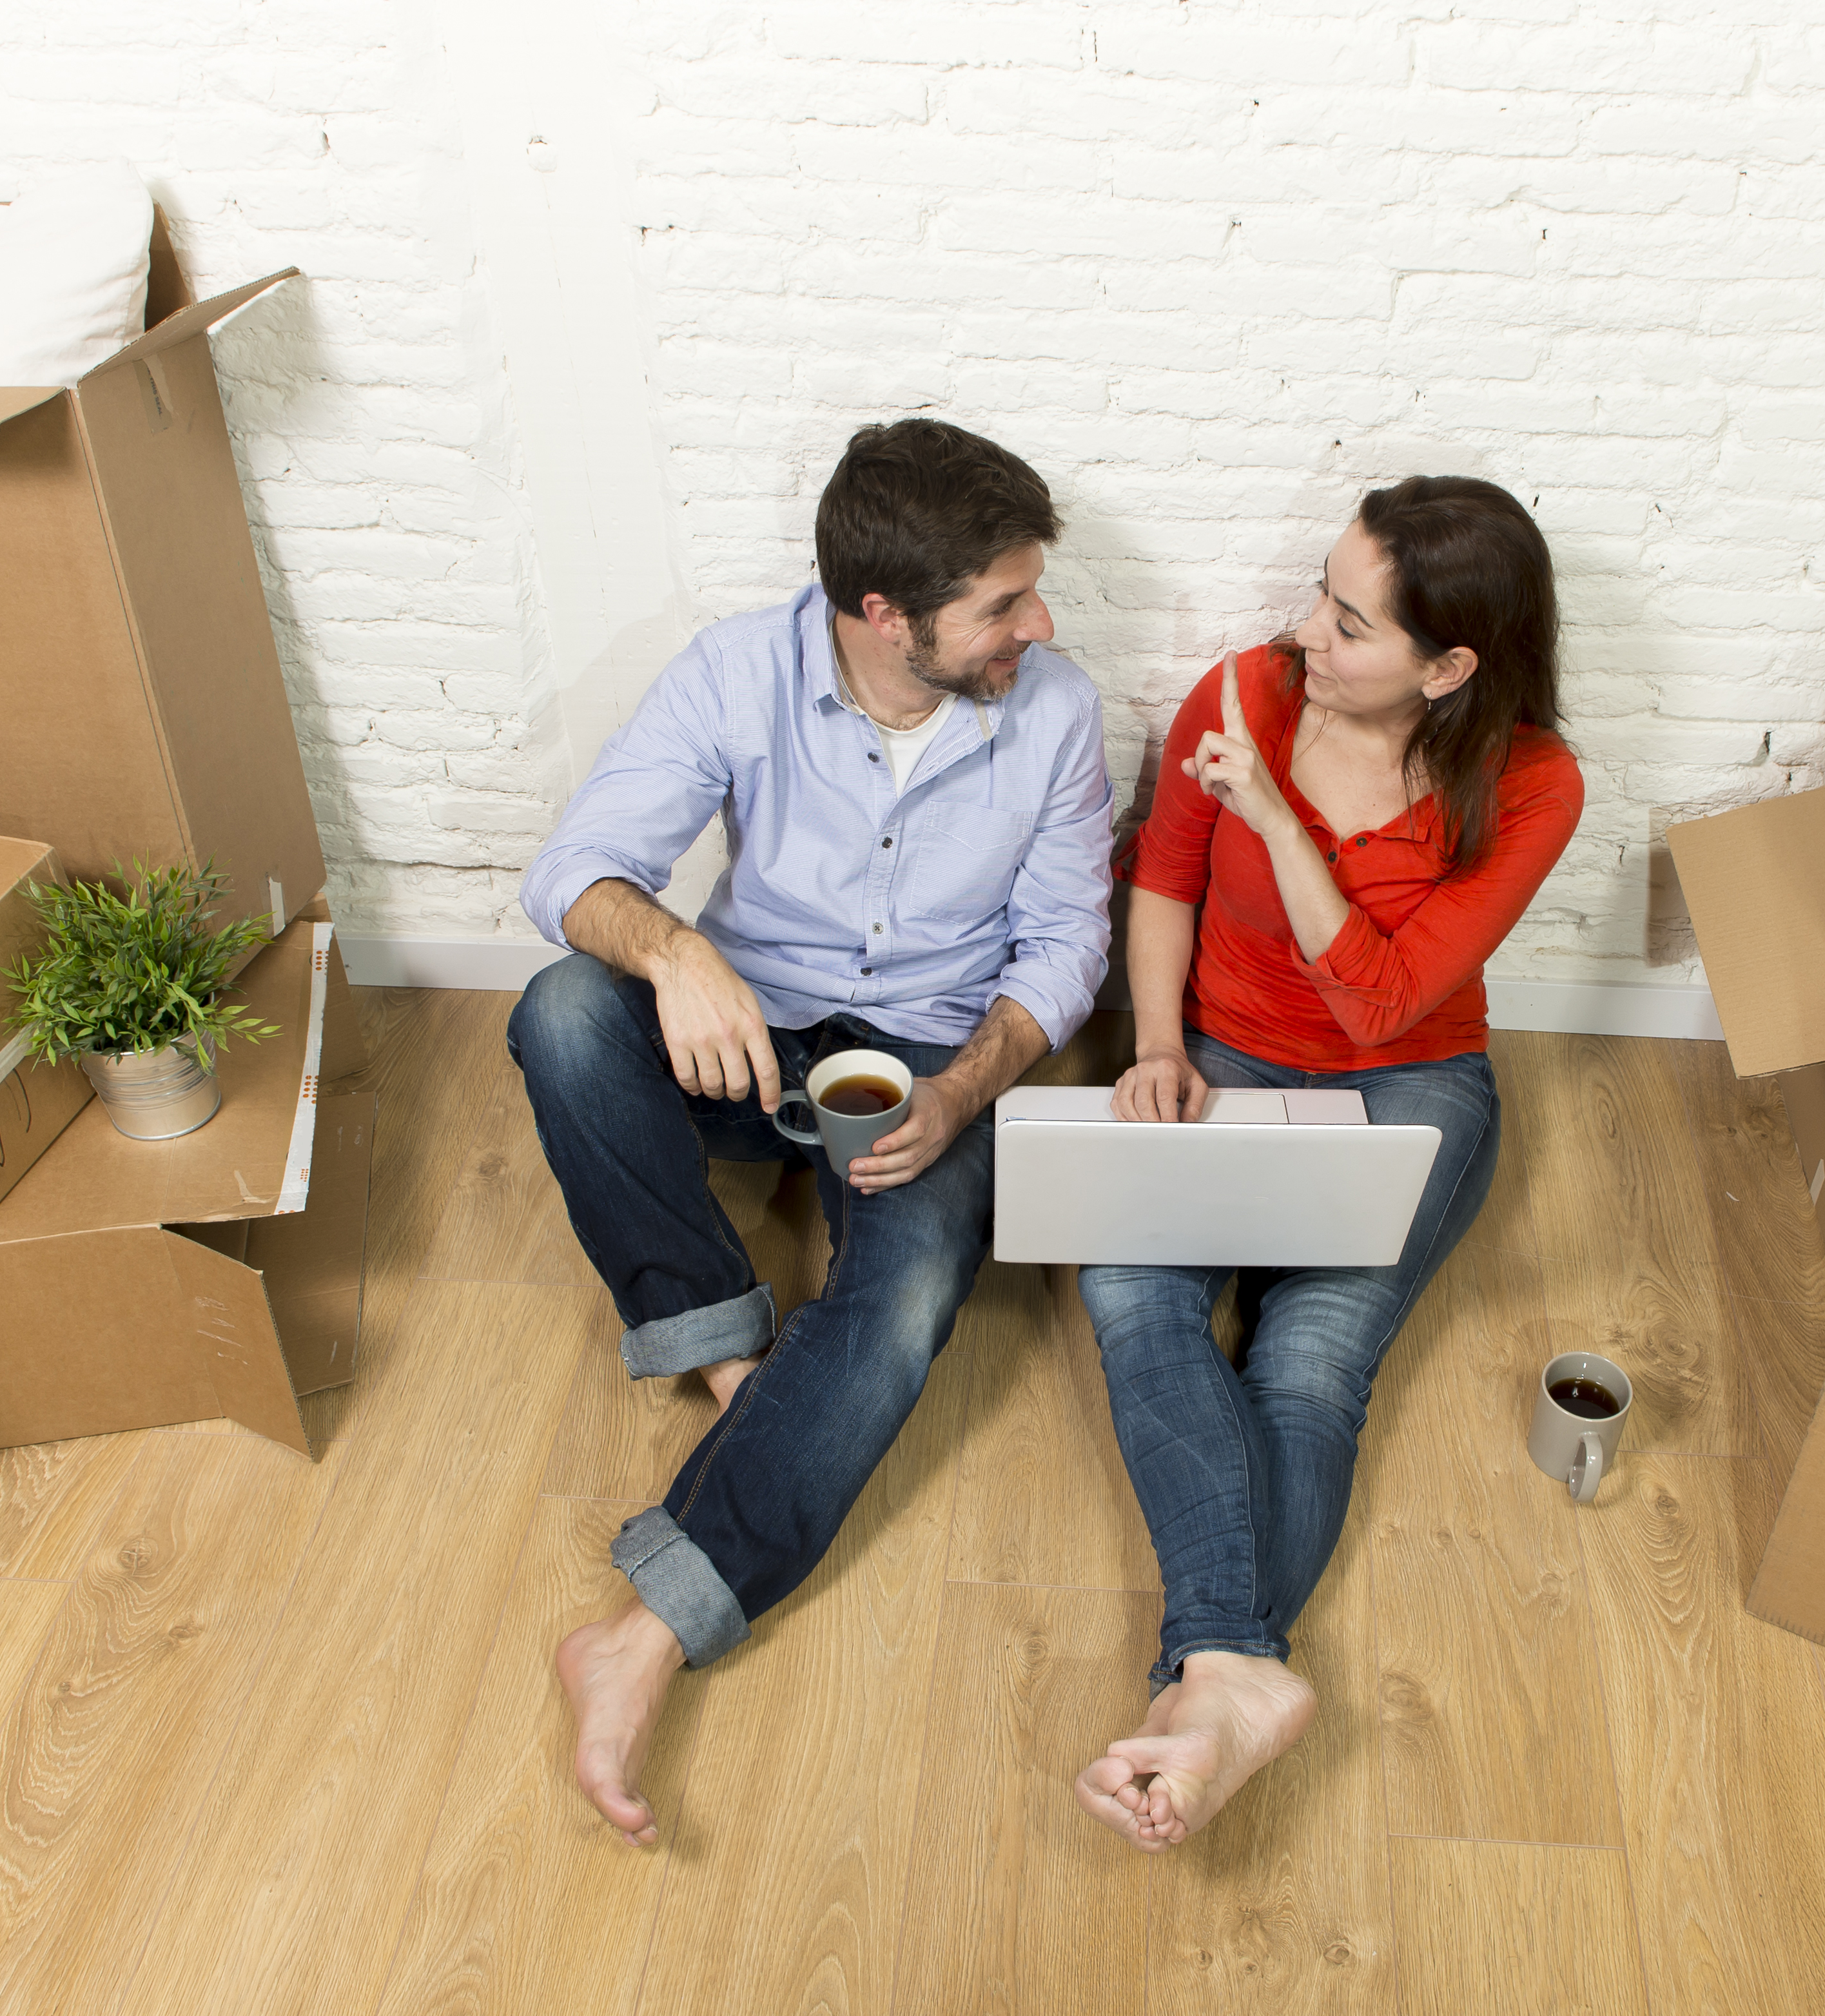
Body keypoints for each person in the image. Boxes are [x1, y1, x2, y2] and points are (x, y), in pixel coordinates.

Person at [509, 418, 1113, 1845]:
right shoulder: (738, 669)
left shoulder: (1057, 709)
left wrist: (965, 1090)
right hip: (747, 1031)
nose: (1039, 624)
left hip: (924, 1063)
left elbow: (1066, 941)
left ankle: (645, 1635)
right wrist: (673, 954)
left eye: (1032, 591)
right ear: (881, 615)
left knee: (903, 1298)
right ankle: (725, 1347)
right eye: (1002, 605)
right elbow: (572, 872)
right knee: (561, 1012)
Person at [1070, 475, 1582, 1851]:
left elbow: (1378, 1003)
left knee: (1304, 1364)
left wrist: (1283, 823)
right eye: (1319, 592)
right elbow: (1166, 876)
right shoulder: (1245, 694)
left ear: (1450, 665)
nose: (1307, 634)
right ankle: (1233, 1676)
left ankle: (1210, 1682)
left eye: (1351, 626)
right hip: (1227, 1056)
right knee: (1133, 1292)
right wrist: (1160, 1043)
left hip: (1405, 1082)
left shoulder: (1532, 783)